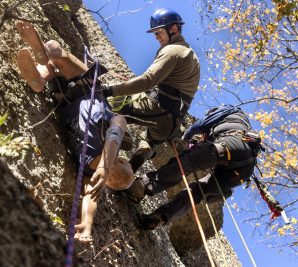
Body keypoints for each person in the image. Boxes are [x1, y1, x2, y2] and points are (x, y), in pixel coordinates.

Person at [16, 21, 134, 242]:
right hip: (67, 101)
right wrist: (87, 225)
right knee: (52, 61)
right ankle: (40, 75)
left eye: (125, 162)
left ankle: (42, 68)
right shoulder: (94, 170)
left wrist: (104, 166)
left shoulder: (104, 155)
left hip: (84, 88)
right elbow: (90, 198)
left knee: (54, 50)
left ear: (120, 163)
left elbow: (119, 122)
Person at [128, 105, 263, 230]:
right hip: (244, 170)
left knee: (187, 161)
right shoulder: (241, 125)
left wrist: (186, 137)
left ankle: (142, 186)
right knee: (197, 192)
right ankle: (159, 217)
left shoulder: (231, 110)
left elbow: (200, 125)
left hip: (231, 145)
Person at [101, 8, 200, 173]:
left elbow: (147, 81)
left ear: (173, 29)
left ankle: (117, 132)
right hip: (171, 124)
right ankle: (129, 172)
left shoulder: (173, 50)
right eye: (155, 34)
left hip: (159, 108)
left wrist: (108, 90)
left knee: (109, 103)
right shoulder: (191, 55)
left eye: (159, 32)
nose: (157, 37)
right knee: (148, 140)